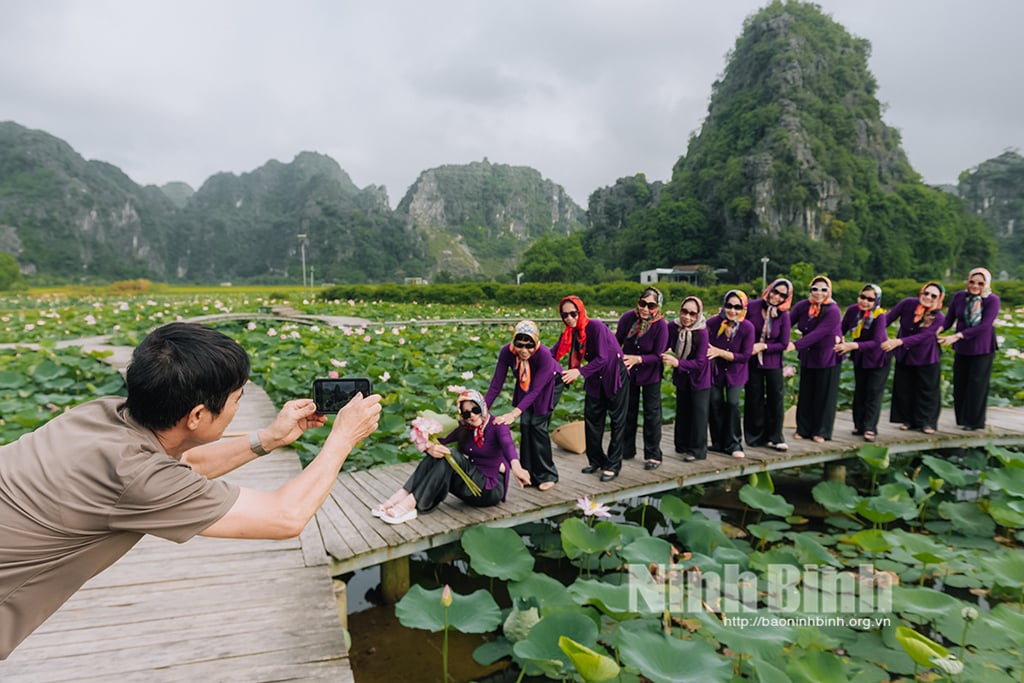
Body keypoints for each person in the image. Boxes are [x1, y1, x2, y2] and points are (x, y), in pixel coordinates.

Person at [0, 322, 382, 659]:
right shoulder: (137, 475)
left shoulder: (101, 413)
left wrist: (268, 439)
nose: (238, 407)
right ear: (197, 415)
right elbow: (285, 516)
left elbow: (181, 468)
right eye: (237, 400)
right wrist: (343, 437)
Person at [374, 390, 530, 524]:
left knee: (451, 454)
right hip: (470, 487)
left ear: (483, 406)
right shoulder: (465, 428)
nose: (473, 416)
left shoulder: (497, 425)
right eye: (466, 413)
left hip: (489, 490)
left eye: (475, 409)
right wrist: (430, 446)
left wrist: (516, 467)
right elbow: (440, 441)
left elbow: (509, 446)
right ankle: (401, 496)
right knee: (439, 454)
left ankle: (411, 503)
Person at [554, 295, 628, 482]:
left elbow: (603, 358)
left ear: (581, 311)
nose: (569, 318)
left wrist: (578, 372)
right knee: (592, 418)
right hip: (595, 374)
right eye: (565, 315)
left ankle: (613, 465)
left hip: (613, 373)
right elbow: (554, 352)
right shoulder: (570, 333)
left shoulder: (595, 327)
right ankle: (596, 460)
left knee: (617, 421)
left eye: (573, 313)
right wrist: (533, 356)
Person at [485, 320, 562, 490]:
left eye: (529, 346)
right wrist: (482, 409)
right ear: (514, 342)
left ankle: (548, 475)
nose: (524, 351)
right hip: (525, 382)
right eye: (520, 345)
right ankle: (528, 474)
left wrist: (513, 413)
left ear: (536, 342)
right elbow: (497, 384)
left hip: (550, 382)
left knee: (537, 424)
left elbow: (535, 391)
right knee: (525, 424)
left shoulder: (544, 356)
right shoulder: (507, 352)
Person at [615, 287, 670, 470]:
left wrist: (638, 359)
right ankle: (627, 449)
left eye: (650, 305)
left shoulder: (660, 325)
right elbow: (617, 342)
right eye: (642, 303)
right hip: (629, 372)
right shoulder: (627, 319)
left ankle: (654, 454)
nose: (645, 308)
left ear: (657, 306)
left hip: (650, 372)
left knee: (651, 413)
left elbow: (658, 354)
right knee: (628, 410)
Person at [940, 268, 1001, 431]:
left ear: (986, 284)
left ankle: (974, 422)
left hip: (982, 346)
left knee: (977, 383)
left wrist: (958, 335)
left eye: (980, 283)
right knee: (960, 381)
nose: (975, 286)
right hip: (962, 346)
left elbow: (985, 326)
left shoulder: (992, 300)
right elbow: (949, 319)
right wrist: (935, 331)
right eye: (972, 282)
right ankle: (961, 419)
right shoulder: (960, 297)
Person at [882, 282, 946, 434]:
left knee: (927, 389)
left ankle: (927, 422)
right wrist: (873, 331)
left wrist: (898, 342)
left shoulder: (939, 317)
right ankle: (908, 420)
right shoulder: (907, 304)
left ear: (939, 299)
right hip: (905, 354)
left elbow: (924, 336)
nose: (928, 297)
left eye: (933, 296)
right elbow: (888, 319)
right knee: (905, 387)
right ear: (921, 293)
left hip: (926, 355)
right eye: (926, 293)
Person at [787, 275, 842, 442]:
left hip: (827, 355)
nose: (819, 293)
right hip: (809, 355)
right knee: (806, 393)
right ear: (810, 290)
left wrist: (795, 344)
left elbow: (820, 333)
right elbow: (787, 322)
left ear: (829, 291)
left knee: (824, 395)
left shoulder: (833, 310)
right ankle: (803, 429)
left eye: (823, 290)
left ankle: (821, 431)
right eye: (815, 289)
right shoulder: (803, 306)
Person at [835, 284, 890, 442]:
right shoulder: (853, 311)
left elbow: (877, 341)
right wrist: (839, 339)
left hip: (878, 357)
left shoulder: (879, 315)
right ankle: (859, 425)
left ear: (876, 301)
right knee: (860, 390)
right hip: (860, 357)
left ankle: (870, 428)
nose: (865, 301)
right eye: (862, 297)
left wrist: (851, 346)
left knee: (873, 392)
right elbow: (842, 328)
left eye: (870, 299)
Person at [744, 278, 793, 452]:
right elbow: (742, 325)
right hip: (752, 361)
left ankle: (776, 437)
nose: (777, 297)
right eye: (775, 291)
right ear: (769, 290)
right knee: (753, 397)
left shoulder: (784, 315)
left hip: (772, 362)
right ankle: (754, 436)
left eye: (782, 295)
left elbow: (783, 343)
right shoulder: (753, 306)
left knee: (775, 399)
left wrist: (764, 346)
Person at [706, 290, 755, 459]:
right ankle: (718, 442)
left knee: (733, 403)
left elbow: (745, 356)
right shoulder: (712, 323)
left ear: (743, 309)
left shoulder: (748, 328)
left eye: (737, 307)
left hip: (737, 373)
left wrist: (720, 352)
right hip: (716, 372)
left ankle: (734, 443)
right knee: (715, 402)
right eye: (729, 306)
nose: (732, 311)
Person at [662, 296, 711, 462]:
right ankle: (681, 445)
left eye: (692, 313)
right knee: (683, 411)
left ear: (698, 315)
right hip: (682, 376)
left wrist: (677, 363)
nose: (687, 317)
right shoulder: (673, 327)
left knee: (698, 413)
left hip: (699, 377)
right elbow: (663, 343)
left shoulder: (702, 332)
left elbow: (700, 361)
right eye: (684, 311)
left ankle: (697, 450)